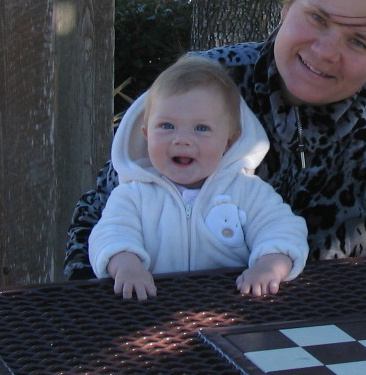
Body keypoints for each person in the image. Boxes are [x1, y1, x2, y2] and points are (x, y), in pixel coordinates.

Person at [66, 0, 366, 279]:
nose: (326, 51)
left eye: (358, 42)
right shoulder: (205, 80)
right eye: (318, 18)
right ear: (289, 5)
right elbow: (98, 216)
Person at [88, 56, 309, 300]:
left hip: (234, 303)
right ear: (146, 134)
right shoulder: (133, 196)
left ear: (229, 141)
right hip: (151, 303)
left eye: (201, 128)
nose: (182, 140)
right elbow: (111, 234)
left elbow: (281, 229)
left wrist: (269, 266)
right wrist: (127, 267)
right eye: (167, 126)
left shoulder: (248, 192)